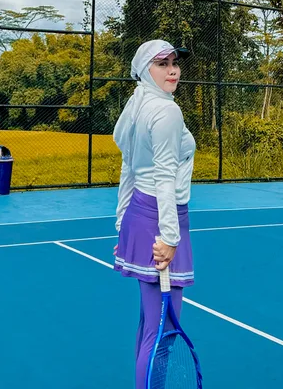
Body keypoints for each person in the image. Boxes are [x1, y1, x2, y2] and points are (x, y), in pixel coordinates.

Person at [112, 39, 197, 388]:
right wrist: (170, 238)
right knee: (162, 333)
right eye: (162, 64)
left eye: (174, 62)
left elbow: (128, 168)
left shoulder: (137, 105)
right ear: (145, 70)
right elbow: (164, 177)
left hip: (142, 214)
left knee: (151, 326)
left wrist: (123, 224)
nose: (173, 70)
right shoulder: (166, 112)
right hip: (162, 220)